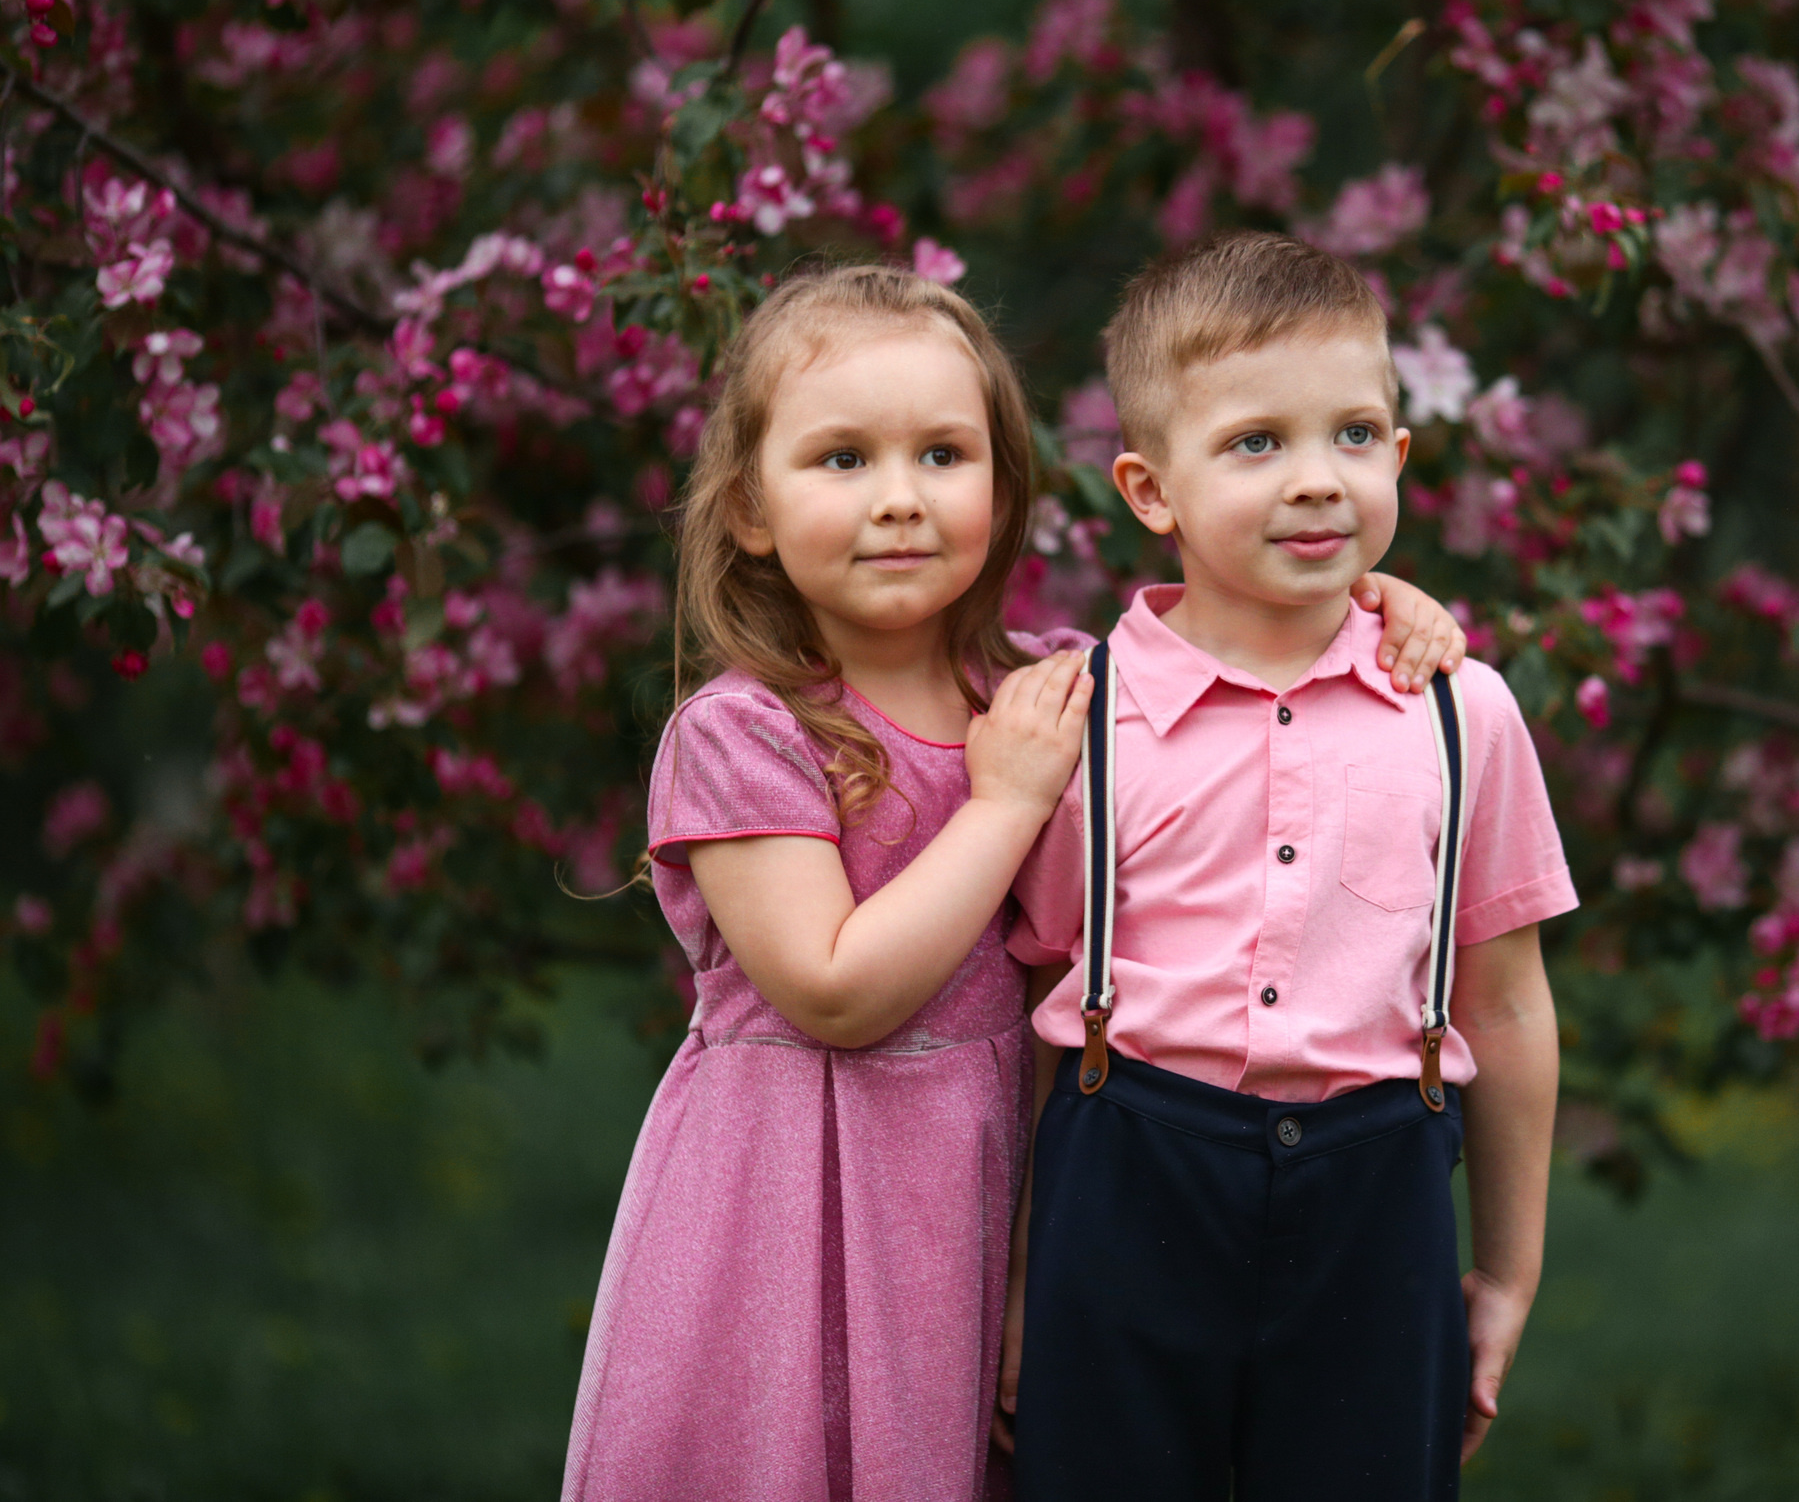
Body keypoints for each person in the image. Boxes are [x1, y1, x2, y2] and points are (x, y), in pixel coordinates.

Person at [561, 263, 1470, 1502]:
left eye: (944, 456)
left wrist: (1377, 596)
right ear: (750, 511)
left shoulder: (1051, 691)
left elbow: (1248, 628)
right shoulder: (747, 735)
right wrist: (1004, 805)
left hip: (1000, 1199)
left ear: (1005, 486)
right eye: (842, 461)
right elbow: (835, 991)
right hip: (795, 1215)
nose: (899, 500)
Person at [1002, 233, 1576, 1501]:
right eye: (1257, 443)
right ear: (1151, 491)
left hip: (1381, 1191)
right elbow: (1037, 1006)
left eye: (1355, 436)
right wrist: (1021, 1284)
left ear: (1401, 456)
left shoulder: (1459, 711)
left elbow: (1509, 999)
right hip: (1132, 1162)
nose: (1318, 481)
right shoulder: (1077, 723)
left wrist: (1509, 1274)